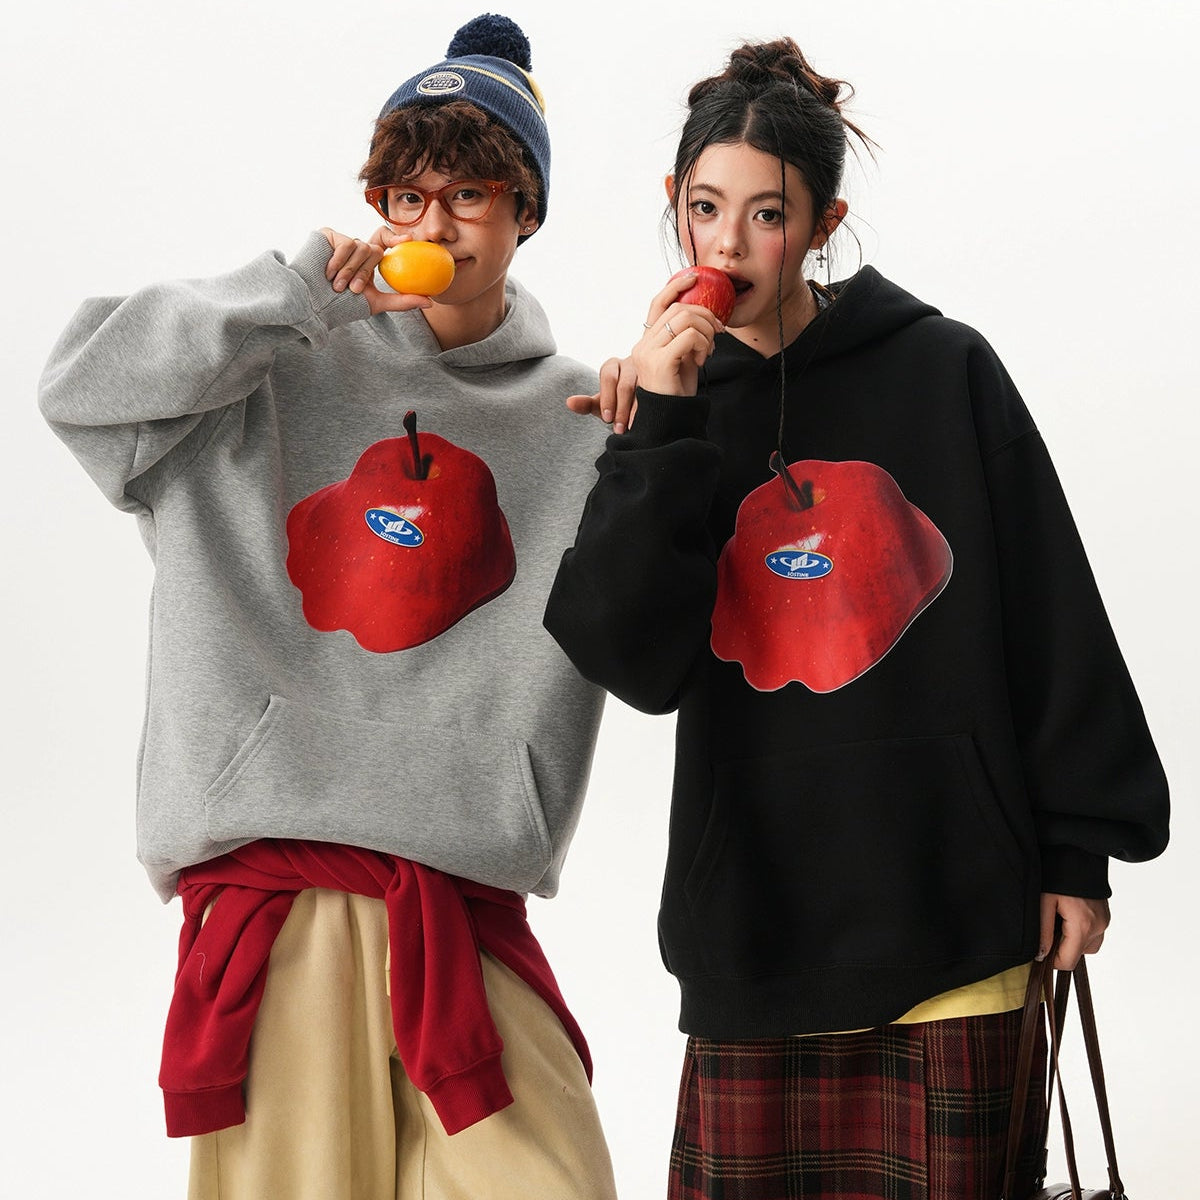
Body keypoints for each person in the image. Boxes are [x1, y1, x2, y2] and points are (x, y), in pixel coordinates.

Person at [544, 36, 1169, 1200]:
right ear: (673, 203)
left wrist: (1077, 851)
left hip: (954, 913)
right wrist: (663, 428)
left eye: (767, 215)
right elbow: (634, 662)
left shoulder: (944, 369)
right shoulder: (666, 403)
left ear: (824, 224)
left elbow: (1048, 612)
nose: (727, 246)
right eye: (705, 208)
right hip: (758, 928)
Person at [39, 14, 619, 1200]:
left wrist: (667, 425)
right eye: (406, 197)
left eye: (469, 194)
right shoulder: (262, 366)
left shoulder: (583, 420)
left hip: (462, 901)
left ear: (525, 213)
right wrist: (291, 293)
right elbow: (77, 388)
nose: (433, 226)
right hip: (282, 882)